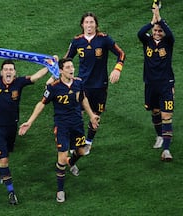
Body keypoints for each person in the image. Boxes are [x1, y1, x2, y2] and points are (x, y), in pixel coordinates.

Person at [0, 54, 50, 205]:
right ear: (1, 72)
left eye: (11, 69)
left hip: (12, 127)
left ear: (15, 73)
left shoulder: (19, 83)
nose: (8, 72)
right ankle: (11, 192)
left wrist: (50, 66)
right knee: (4, 159)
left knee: (6, 155)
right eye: (5, 69)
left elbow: (35, 77)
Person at [19, 58, 100, 203]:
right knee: (61, 158)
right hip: (62, 126)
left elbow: (83, 99)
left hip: (77, 125)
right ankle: (60, 190)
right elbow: (41, 104)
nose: (71, 69)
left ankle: (72, 162)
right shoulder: (53, 87)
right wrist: (29, 122)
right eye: (68, 67)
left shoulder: (78, 83)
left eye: (72, 67)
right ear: (61, 70)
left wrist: (92, 116)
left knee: (82, 151)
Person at [48, 12, 125, 155]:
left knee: (95, 115)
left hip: (100, 85)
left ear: (96, 24)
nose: (89, 25)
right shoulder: (77, 41)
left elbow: (121, 54)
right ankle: (73, 143)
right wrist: (54, 68)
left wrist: (117, 69)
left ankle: (88, 141)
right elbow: (66, 60)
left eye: (92, 22)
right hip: (82, 85)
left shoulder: (104, 39)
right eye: (86, 22)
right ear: (82, 25)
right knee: (77, 114)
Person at [137, 6, 175, 161]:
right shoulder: (147, 41)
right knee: (155, 112)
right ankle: (159, 136)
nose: (158, 33)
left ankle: (166, 150)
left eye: (160, 31)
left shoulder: (168, 42)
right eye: (155, 30)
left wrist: (160, 19)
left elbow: (170, 32)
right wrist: (152, 22)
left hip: (166, 85)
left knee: (167, 115)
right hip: (150, 85)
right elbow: (140, 33)